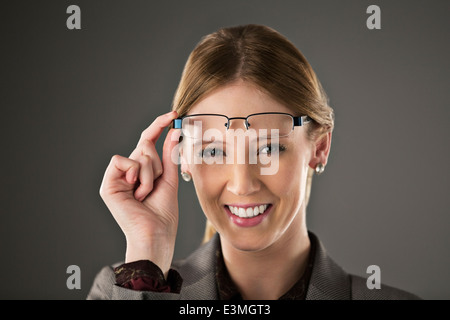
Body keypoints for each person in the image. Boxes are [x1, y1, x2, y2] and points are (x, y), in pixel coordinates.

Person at [87, 24, 419, 300]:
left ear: (319, 147)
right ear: (183, 155)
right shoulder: (124, 290)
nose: (242, 185)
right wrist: (149, 249)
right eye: (213, 151)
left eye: (269, 149)